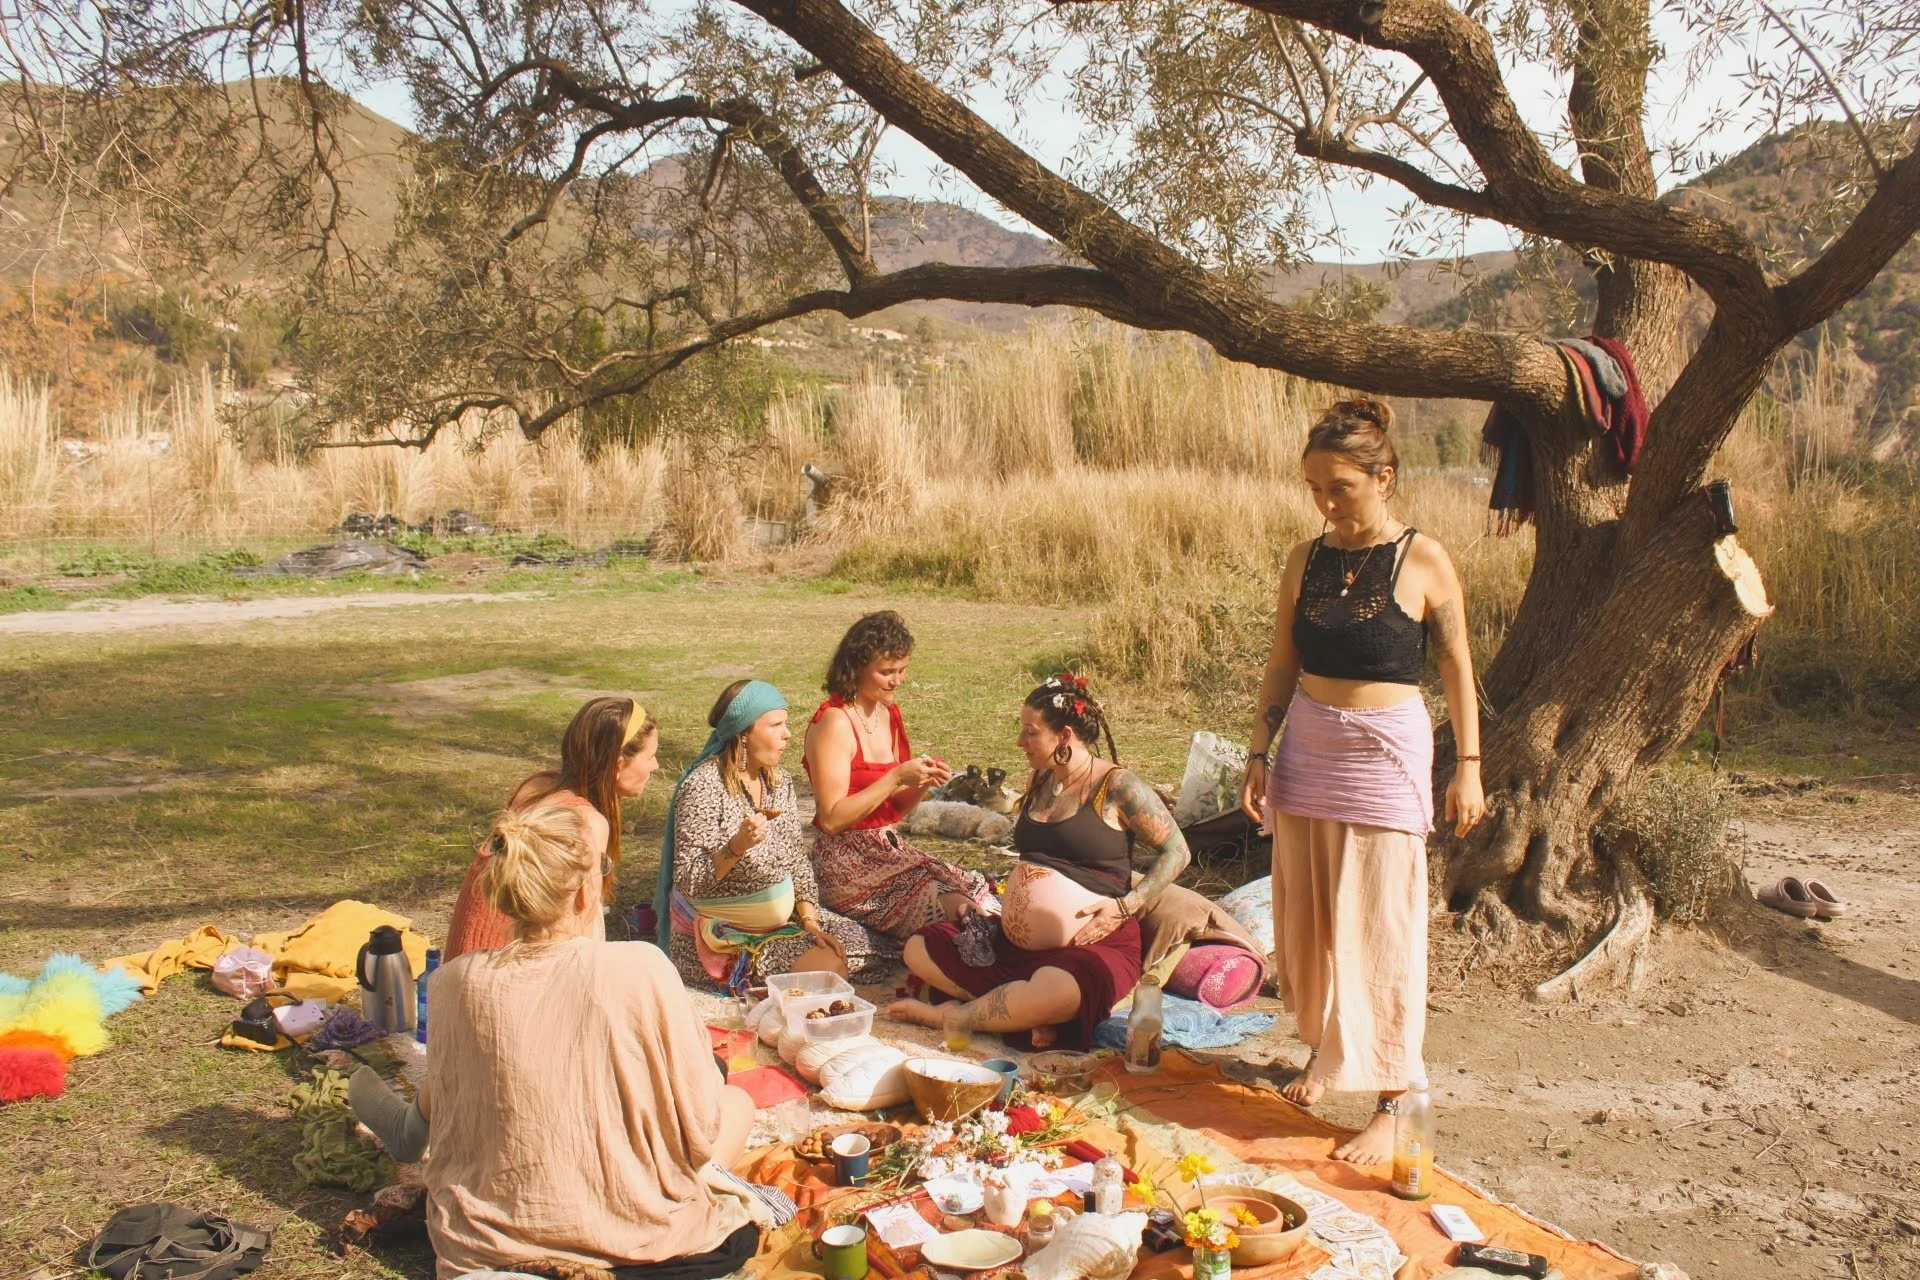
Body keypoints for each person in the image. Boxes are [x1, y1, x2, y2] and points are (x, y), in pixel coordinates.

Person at [349, 804, 760, 1280]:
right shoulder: (641, 966)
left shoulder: (453, 981)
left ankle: (409, 1127)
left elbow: (459, 1086)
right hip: (649, 1245)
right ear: (586, 894)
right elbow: (701, 1122)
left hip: (490, 1243)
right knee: (735, 1100)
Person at [1235, 397, 1486, 1166]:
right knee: (1311, 922)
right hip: (1309, 750)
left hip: (1386, 757)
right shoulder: (1304, 559)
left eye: (1340, 486)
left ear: (1386, 477)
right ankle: (1332, 1050)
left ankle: (1398, 1097)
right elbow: (1283, 660)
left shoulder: (1424, 559)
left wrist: (1468, 768)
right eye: (1315, 487)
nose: (1326, 503)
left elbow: (1456, 669)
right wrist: (1258, 751)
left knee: (1382, 924)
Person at [886, 675, 1190, 1049]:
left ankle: (960, 1016)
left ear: (1064, 736)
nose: (1020, 742)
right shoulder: (1040, 779)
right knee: (921, 946)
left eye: (1030, 732)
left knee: (1059, 988)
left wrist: (1124, 906)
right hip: (1016, 946)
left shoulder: (1117, 787)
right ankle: (1019, 1012)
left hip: (1092, 943)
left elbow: (1178, 851)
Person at [657, 679, 892, 988]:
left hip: (786, 925)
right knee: (830, 970)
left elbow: (797, 858)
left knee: (881, 952)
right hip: (728, 938)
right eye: (776, 725)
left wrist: (810, 922)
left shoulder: (778, 781)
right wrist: (735, 847)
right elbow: (688, 879)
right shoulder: (703, 787)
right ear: (743, 733)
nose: (788, 734)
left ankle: (797, 969)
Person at [803, 610, 999, 938]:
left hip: (887, 850)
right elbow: (833, 819)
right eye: (886, 672)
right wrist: (895, 778)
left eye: (902, 670)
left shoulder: (889, 713)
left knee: (979, 901)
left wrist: (921, 783)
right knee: (957, 915)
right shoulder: (834, 722)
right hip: (846, 862)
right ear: (855, 669)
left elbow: (894, 811)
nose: (897, 680)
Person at [444, 696, 659, 961]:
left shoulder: (538, 785)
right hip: (507, 964)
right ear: (617, 764)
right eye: (651, 756)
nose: (655, 766)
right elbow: (580, 936)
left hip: (465, 961)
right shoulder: (586, 823)